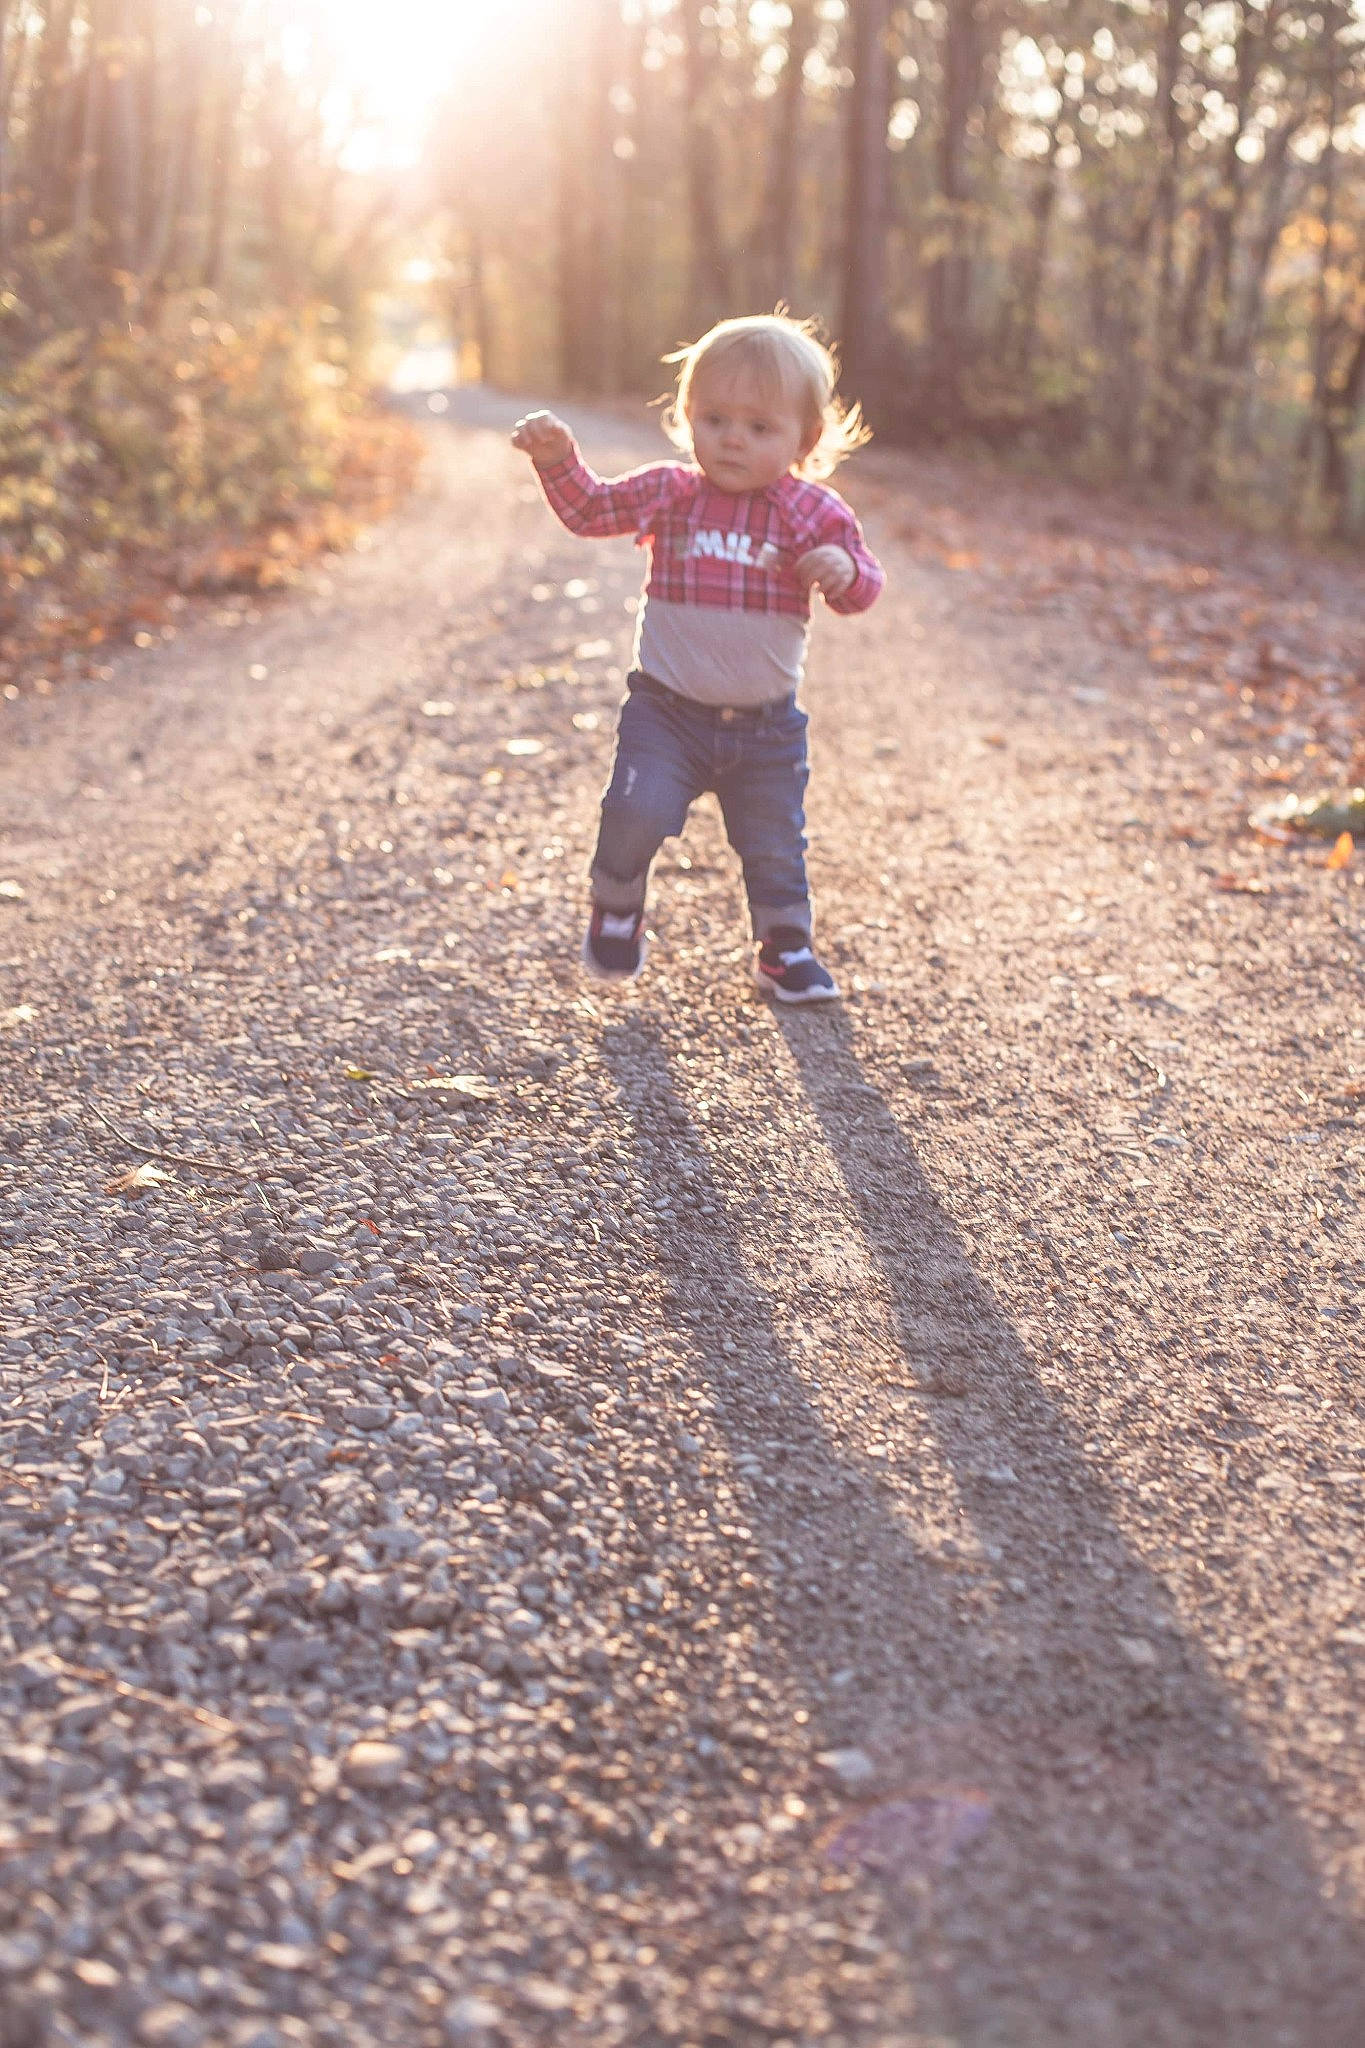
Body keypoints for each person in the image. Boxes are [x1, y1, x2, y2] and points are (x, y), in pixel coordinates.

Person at [511, 312, 885, 1003]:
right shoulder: (669, 493)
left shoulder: (812, 514)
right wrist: (556, 461)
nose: (732, 439)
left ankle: (785, 947)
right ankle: (618, 904)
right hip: (667, 713)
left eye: (758, 427)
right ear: (687, 417)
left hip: (766, 729)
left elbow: (862, 588)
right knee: (634, 812)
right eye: (714, 418)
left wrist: (840, 569)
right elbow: (591, 511)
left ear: (802, 440)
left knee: (774, 844)